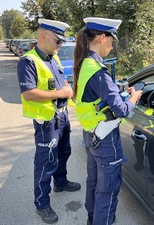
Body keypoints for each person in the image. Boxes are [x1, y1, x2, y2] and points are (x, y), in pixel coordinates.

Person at [72, 17, 142, 225]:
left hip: (91, 134)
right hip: (105, 140)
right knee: (108, 190)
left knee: (94, 182)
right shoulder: (98, 71)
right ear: (103, 38)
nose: (112, 46)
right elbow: (121, 110)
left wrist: (121, 91)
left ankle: (92, 220)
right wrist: (134, 98)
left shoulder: (85, 63)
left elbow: (95, 95)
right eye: (112, 40)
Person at [17, 18, 81, 224]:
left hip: (62, 116)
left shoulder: (53, 58)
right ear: (44, 36)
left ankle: (60, 182)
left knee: (64, 152)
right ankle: (41, 203)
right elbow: (28, 93)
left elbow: (62, 84)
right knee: (45, 163)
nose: (60, 45)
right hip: (47, 122)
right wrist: (59, 92)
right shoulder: (28, 61)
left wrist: (68, 91)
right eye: (57, 41)